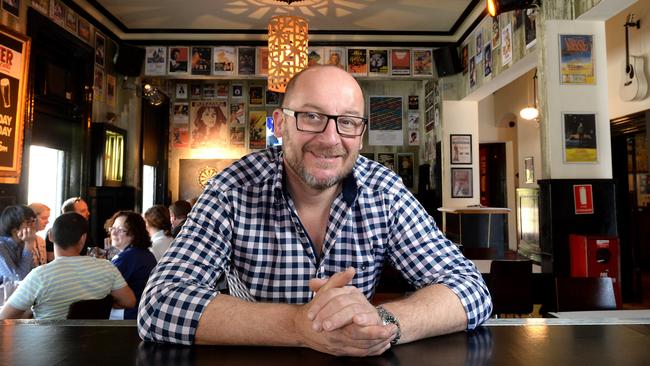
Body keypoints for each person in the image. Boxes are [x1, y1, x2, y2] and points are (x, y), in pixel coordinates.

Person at [138, 65, 491, 356]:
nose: (331, 138)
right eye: (311, 116)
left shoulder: (384, 191)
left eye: (348, 121)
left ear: (361, 134)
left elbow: (470, 288)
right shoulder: (232, 190)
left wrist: (380, 321)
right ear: (279, 123)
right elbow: (158, 304)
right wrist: (298, 324)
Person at [0, 213, 136, 320]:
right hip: (95, 347)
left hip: (47, 351)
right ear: (83, 238)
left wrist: (31, 311)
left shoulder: (40, 275)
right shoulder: (107, 267)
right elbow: (129, 302)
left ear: (51, 236)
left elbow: (5, 316)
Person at [105, 211, 157, 320]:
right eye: (113, 228)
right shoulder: (146, 253)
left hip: (130, 316)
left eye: (120, 230)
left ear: (134, 233)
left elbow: (105, 291)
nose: (113, 233)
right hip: (146, 313)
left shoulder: (127, 257)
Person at [0, 205, 36, 281]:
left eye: (33, 221)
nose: (33, 226)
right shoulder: (1, 247)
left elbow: (33, 274)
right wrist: (28, 246)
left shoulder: (22, 243)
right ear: (14, 229)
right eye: (28, 222)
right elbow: (17, 280)